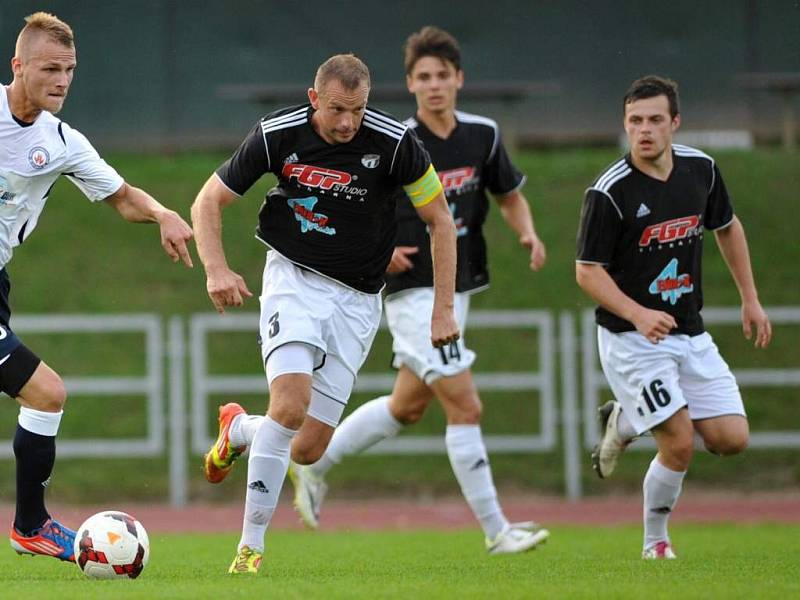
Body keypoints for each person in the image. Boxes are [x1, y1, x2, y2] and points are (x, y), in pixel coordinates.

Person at [192, 53, 459, 574]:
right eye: (337, 108)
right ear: (315, 98)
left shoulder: (396, 143)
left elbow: (440, 222)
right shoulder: (277, 134)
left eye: (356, 110)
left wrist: (442, 309)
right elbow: (208, 201)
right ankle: (250, 549)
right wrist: (216, 269)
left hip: (358, 301)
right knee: (289, 406)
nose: (346, 122)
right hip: (293, 279)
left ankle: (240, 430)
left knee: (308, 449)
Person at [288, 26, 550, 555]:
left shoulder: (484, 135)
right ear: (409, 84)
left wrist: (527, 230)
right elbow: (353, 206)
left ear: (459, 79)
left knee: (408, 406)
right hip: (412, 292)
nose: (434, 86)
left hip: (459, 285)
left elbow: (507, 193)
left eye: (442, 76)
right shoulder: (394, 140)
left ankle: (312, 465)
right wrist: (378, 254)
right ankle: (497, 530)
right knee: (465, 405)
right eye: (423, 77)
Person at [2, 13, 193, 563]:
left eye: (69, 70)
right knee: (46, 392)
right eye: (49, 68)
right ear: (18, 66)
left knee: (45, 396)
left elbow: (122, 195)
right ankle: (31, 525)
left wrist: (162, 214)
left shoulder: (61, 142)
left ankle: (30, 525)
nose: (62, 79)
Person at [576, 76, 772, 559]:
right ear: (625, 125)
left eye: (655, 120)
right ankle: (655, 543)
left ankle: (626, 418)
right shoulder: (609, 192)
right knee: (679, 442)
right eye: (635, 121)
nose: (644, 130)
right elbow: (587, 273)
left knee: (732, 439)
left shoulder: (701, 171)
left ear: (675, 123)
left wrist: (750, 298)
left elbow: (728, 228)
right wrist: (638, 314)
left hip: (687, 330)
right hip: (629, 337)